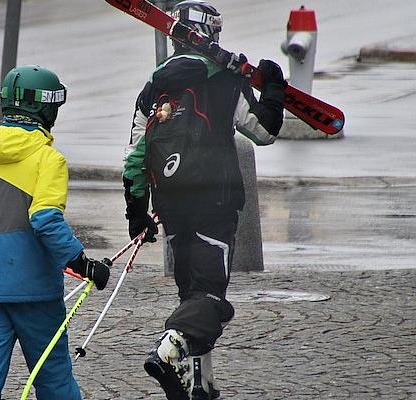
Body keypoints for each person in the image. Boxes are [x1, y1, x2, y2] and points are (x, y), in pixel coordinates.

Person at [121, 1, 287, 399]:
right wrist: (275, 87)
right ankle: (168, 350)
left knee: (192, 294)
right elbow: (263, 131)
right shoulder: (227, 80)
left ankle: (200, 381)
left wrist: (137, 213)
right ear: (210, 33)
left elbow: (134, 156)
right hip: (215, 201)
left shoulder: (154, 85)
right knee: (211, 296)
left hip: (171, 204)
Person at [0, 65, 110, 400]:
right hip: (35, 291)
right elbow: (44, 219)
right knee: (53, 375)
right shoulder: (49, 159)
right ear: (47, 110)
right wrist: (81, 262)